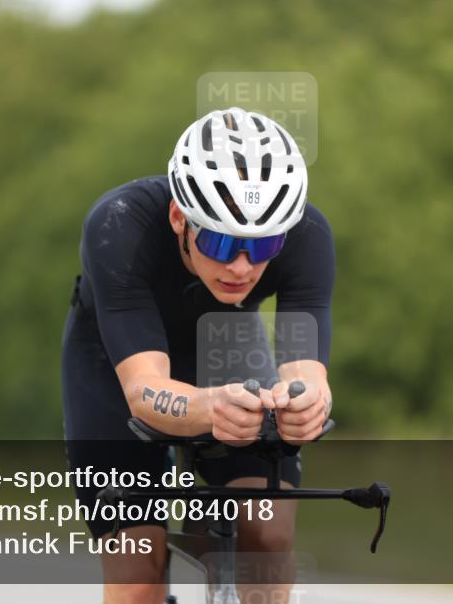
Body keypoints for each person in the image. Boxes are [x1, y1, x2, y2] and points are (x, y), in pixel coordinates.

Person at [62, 107, 334, 603]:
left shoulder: (307, 235)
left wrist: (308, 405)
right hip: (114, 362)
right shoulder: (118, 225)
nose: (242, 266)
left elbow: (306, 368)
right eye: (221, 241)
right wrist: (212, 409)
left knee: (268, 537)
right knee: (137, 573)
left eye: (264, 244)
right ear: (178, 218)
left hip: (225, 347)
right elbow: (145, 391)